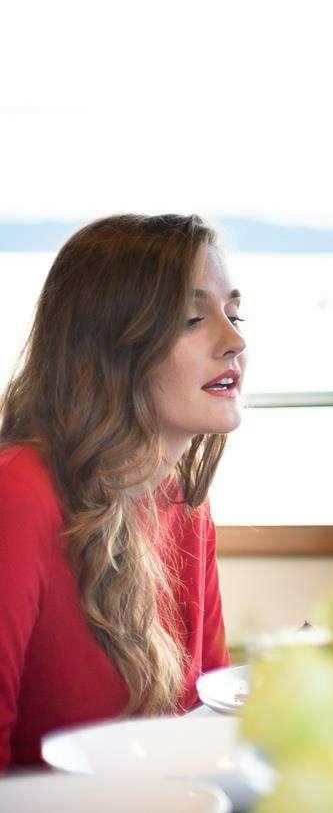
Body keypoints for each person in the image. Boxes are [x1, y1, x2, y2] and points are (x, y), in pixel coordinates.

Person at [0, 215, 244, 771]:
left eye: (234, 313)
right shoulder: (17, 495)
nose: (234, 341)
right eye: (191, 318)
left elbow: (205, 719)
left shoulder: (183, 498)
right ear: (111, 346)